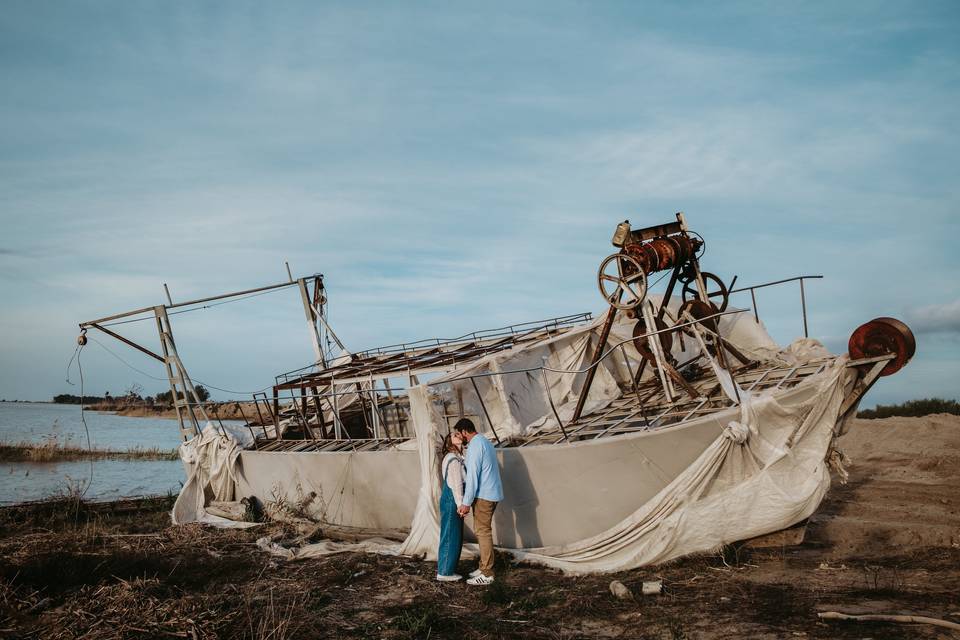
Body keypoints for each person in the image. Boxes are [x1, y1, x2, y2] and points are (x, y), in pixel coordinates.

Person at [455, 417, 503, 585]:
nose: (458, 437)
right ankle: (483, 567)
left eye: (458, 434)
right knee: (483, 530)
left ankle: (487, 574)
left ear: (464, 431)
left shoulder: (475, 445)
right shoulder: (485, 441)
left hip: (484, 495)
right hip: (491, 492)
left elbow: (473, 476)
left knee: (482, 532)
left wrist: (466, 503)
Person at [436, 431, 466, 582]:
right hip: (452, 499)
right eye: (455, 435)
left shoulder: (458, 457)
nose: (459, 436)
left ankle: (448, 568)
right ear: (449, 442)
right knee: (450, 534)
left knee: (454, 534)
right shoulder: (453, 459)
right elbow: (457, 484)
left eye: (460, 434)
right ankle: (444, 572)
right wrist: (460, 504)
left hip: (452, 499)